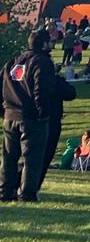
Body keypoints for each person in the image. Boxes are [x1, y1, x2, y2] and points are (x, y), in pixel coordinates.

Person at [2, 29, 59, 203]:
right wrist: (43, 113)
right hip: (31, 118)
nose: (52, 44)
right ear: (43, 44)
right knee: (32, 158)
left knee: (9, 156)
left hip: (10, 115)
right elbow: (41, 89)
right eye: (50, 41)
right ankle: (27, 194)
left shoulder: (13, 62)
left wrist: (4, 110)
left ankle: (5, 191)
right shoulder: (42, 61)